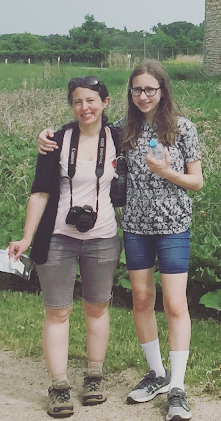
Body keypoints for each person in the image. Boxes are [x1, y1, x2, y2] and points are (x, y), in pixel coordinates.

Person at [38, 61, 203, 421]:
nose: (143, 96)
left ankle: (178, 386)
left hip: (173, 225)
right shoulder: (121, 132)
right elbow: (84, 128)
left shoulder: (183, 129)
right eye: (137, 90)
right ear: (128, 95)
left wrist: (166, 172)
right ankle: (156, 372)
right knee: (142, 300)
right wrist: (47, 136)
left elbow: (197, 182)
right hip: (135, 227)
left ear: (163, 91)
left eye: (150, 90)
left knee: (175, 304)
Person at [10, 76, 122, 418]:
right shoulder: (56, 141)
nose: (84, 107)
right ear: (71, 106)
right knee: (58, 311)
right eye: (77, 101)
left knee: (97, 309)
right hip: (58, 236)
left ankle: (94, 377)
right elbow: (41, 191)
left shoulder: (120, 138)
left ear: (106, 102)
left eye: (91, 100)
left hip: (103, 237)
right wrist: (27, 237)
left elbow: (154, 116)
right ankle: (59, 386)